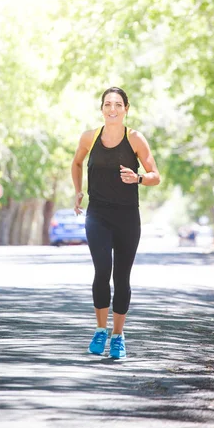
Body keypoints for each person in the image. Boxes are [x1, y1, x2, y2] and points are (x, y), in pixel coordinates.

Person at [71, 87, 160, 359]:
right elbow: (76, 163)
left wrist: (139, 179)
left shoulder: (135, 139)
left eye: (118, 104)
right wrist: (77, 190)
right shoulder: (89, 137)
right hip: (97, 214)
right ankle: (100, 330)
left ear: (126, 109)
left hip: (127, 217)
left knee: (122, 278)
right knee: (102, 270)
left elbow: (155, 175)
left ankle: (118, 336)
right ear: (102, 109)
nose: (112, 109)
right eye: (108, 104)